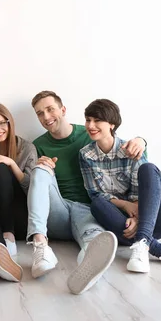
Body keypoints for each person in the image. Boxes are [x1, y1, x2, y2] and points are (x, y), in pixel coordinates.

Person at [27, 90, 147, 295]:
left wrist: (142, 140)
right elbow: (34, 187)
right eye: (40, 113)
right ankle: (40, 246)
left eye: (50, 109)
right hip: (58, 210)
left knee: (96, 242)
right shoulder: (39, 144)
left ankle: (89, 270)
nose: (46, 117)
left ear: (63, 110)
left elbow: (124, 147)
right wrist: (39, 167)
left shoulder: (90, 132)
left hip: (89, 210)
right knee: (39, 170)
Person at [80, 98, 161, 273]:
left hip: (156, 220)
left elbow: (145, 191)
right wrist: (125, 205)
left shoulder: (131, 148)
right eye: (88, 119)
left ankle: (144, 241)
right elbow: (96, 194)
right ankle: (146, 245)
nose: (91, 125)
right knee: (97, 205)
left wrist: (138, 216)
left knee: (149, 169)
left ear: (112, 124)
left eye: (97, 120)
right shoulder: (86, 155)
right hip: (125, 226)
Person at [0, 103, 37, 282]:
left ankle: (8, 234)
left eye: (2, 123)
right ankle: (1, 262)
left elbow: (31, 188)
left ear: (10, 123)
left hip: (20, 215)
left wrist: (11, 163)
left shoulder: (27, 148)